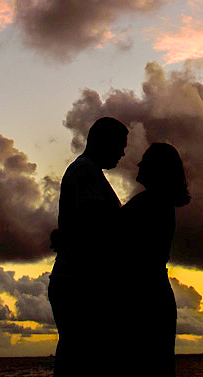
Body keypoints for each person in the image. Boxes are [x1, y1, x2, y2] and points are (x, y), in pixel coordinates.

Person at [48, 116, 128, 377]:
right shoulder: (85, 171)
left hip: (79, 281)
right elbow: (95, 227)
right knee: (81, 359)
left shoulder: (88, 172)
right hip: (80, 283)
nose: (123, 153)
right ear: (103, 142)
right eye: (120, 145)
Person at [120, 142, 190, 376]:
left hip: (146, 295)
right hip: (152, 293)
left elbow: (111, 235)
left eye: (145, 159)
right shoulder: (155, 202)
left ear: (157, 169)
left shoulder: (150, 203)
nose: (139, 163)